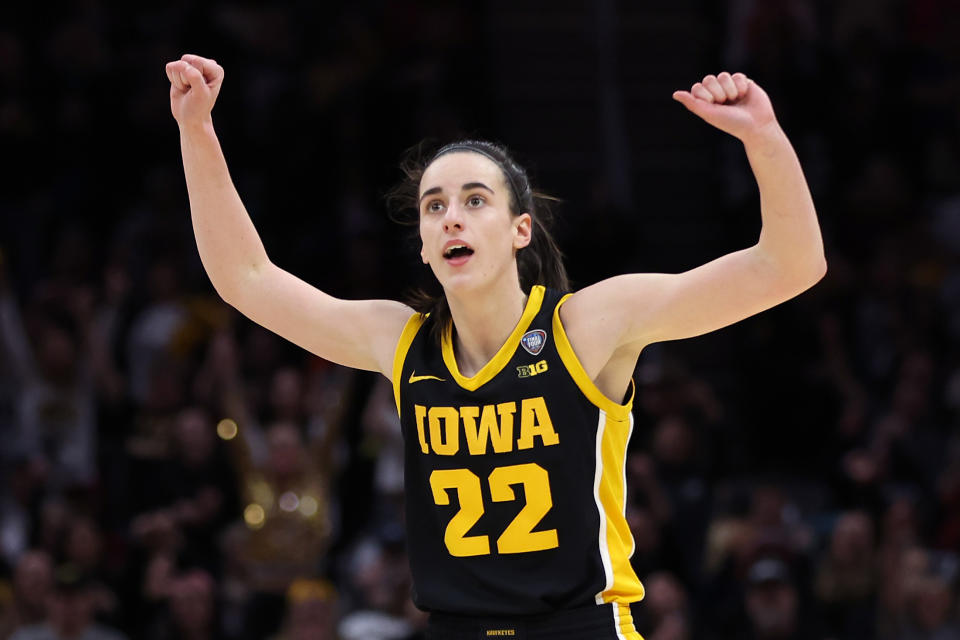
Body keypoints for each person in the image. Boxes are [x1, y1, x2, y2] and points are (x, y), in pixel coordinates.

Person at [165, 52, 825, 640]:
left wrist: (764, 139)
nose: (451, 214)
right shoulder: (401, 342)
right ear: (426, 248)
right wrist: (197, 131)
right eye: (434, 206)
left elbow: (790, 266)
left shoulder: (586, 328)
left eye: (475, 200)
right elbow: (246, 279)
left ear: (520, 230)